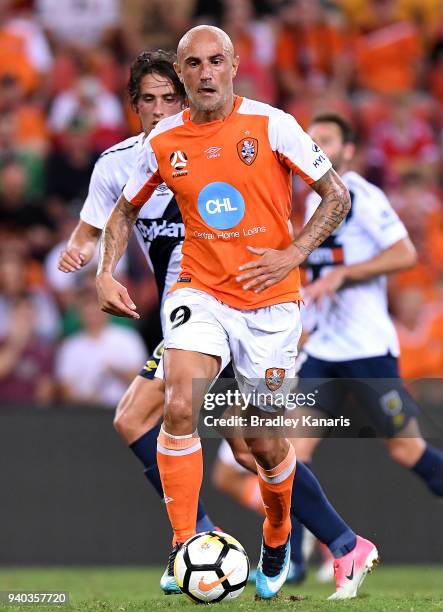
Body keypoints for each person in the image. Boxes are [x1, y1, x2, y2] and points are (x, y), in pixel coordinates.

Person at [62, 45, 377, 601]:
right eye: (192, 65)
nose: (203, 74)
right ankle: (190, 542)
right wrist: (103, 271)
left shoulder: (272, 124)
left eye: (215, 62)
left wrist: (293, 253)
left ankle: (297, 537)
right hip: (197, 296)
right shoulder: (150, 149)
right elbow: (118, 212)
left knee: (256, 441)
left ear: (232, 67)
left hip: (269, 301)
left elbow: (336, 195)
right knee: (169, 405)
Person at [58, 49, 217, 594]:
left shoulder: (217, 146)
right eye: (147, 100)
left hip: (229, 305)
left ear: (188, 97)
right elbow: (92, 225)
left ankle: (213, 540)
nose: (158, 109)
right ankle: (201, 538)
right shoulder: (118, 163)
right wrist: (80, 252)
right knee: (137, 420)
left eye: (169, 97)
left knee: (251, 444)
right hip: (182, 317)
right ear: (133, 106)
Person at [289, 112, 443, 573]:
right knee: (289, 453)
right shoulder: (306, 203)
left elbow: (405, 253)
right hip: (324, 350)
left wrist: (345, 274)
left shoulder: (362, 195)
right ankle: (290, 562)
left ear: (348, 150)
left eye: (328, 139)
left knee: (406, 449)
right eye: (311, 140)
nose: (318, 146)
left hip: (367, 350)